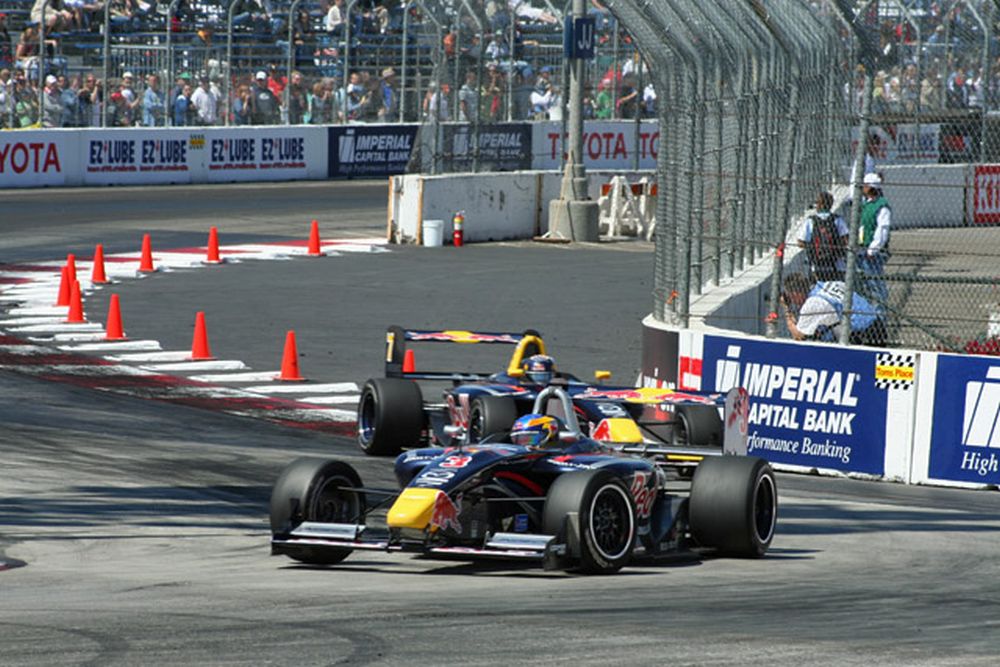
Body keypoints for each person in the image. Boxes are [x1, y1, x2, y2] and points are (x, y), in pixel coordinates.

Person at [781, 273, 886, 347]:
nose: (791, 300)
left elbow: (798, 336)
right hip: (878, 325)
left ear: (796, 294)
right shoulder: (828, 284)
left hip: (862, 336)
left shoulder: (813, 304)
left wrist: (786, 308)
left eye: (790, 296)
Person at [797, 191, 848, 282]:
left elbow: (800, 242)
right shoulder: (837, 220)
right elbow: (846, 239)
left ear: (820, 205)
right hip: (836, 264)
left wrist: (814, 247)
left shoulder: (811, 221)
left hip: (816, 264)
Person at [858, 171, 891, 306]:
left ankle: (880, 315)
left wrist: (873, 249)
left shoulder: (881, 206)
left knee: (876, 284)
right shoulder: (867, 204)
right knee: (867, 284)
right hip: (863, 248)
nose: (862, 188)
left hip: (872, 251)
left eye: (864, 185)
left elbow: (882, 229)